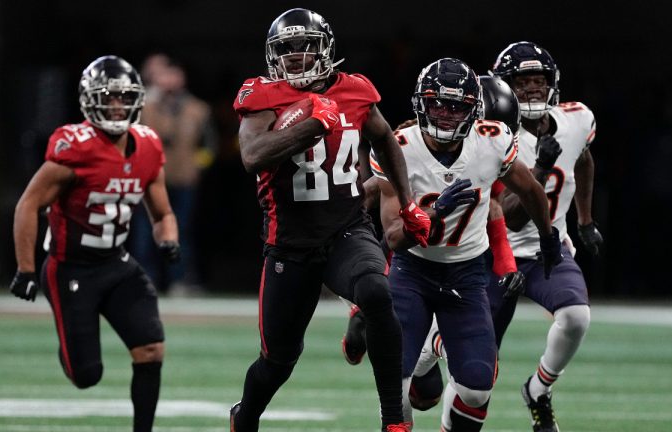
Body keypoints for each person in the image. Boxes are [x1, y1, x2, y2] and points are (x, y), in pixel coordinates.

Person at [229, 8, 430, 432]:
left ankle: (394, 420)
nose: (297, 56)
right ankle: (244, 417)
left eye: (306, 46)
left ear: (326, 49)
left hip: (346, 229)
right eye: (287, 49)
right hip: (289, 245)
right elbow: (252, 157)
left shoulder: (355, 90)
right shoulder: (261, 95)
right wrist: (309, 125)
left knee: (377, 291)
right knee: (277, 361)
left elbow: (386, 140)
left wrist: (408, 203)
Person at [372, 57, 560, 431]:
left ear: (473, 109)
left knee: (476, 386)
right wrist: (432, 217)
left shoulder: (492, 141)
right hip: (413, 270)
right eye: (437, 103)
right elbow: (393, 236)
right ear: (420, 104)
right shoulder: (400, 148)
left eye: (456, 106)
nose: (445, 114)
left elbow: (531, 189)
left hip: (467, 274)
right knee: (397, 383)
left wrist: (547, 234)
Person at [9, 55, 179, 432]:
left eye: (124, 97)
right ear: (89, 99)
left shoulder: (148, 144)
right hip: (72, 268)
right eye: (110, 97)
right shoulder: (75, 147)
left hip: (117, 264)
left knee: (151, 349)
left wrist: (168, 239)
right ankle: (73, 343)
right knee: (86, 376)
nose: (117, 105)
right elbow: (28, 204)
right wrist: (25, 268)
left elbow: (162, 211)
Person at [488, 41, 602, 432]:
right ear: (505, 88)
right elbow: (512, 220)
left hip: (546, 252)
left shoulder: (575, 120)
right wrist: (539, 169)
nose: (533, 89)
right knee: (474, 372)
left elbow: (584, 159)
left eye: (539, 81)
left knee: (575, 317)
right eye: (522, 83)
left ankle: (539, 389)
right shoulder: (494, 135)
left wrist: (584, 221)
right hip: (492, 255)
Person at [128, 53, 213, 295]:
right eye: (165, 74)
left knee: (182, 231)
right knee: (145, 231)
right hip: (151, 179)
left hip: (184, 180)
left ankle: (180, 280)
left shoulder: (198, 109)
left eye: (174, 74)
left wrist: (198, 166)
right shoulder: (145, 107)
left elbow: (209, 145)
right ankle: (146, 279)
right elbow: (130, 138)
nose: (170, 80)